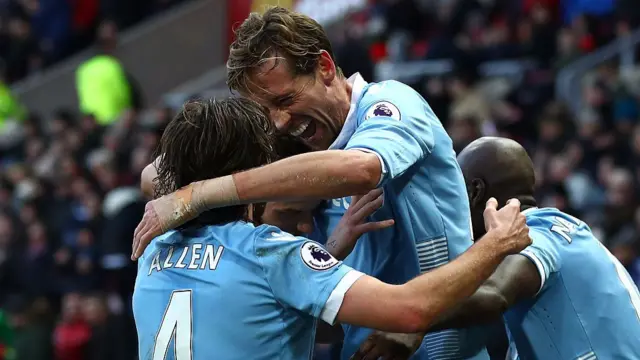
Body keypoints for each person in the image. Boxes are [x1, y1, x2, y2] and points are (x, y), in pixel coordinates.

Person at [134, 7, 488, 359]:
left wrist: (199, 194)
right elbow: (154, 173)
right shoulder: (297, 145)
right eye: (266, 111)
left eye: (285, 100)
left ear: (325, 67)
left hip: (444, 349)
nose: (280, 122)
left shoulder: (391, 104)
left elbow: (362, 169)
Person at [132, 99, 531, 360]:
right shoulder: (271, 253)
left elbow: (153, 176)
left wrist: (331, 249)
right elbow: (411, 310)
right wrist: (494, 244)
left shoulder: (152, 244)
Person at [389, 137, 639, 360]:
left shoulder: (539, 231)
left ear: (475, 192)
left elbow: (494, 293)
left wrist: (414, 320)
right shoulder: (566, 231)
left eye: (454, 193)